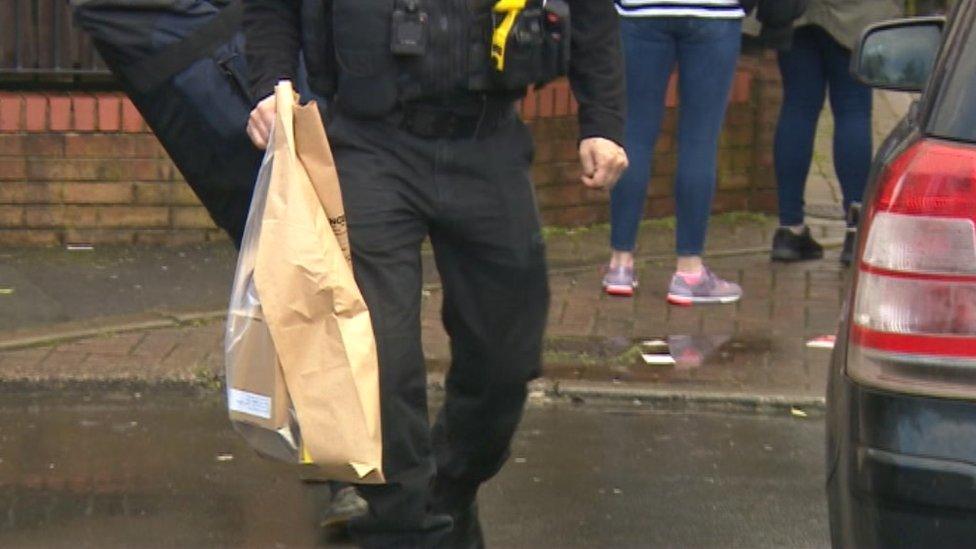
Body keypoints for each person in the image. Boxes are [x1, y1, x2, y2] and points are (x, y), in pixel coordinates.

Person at [242, 1, 628, 546]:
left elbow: (592, 11)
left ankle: (444, 496)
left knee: (505, 360)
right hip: (370, 142)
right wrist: (271, 83)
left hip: (488, 138)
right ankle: (403, 523)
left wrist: (603, 121)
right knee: (378, 355)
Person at [603, 0, 746, 305]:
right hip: (714, 11)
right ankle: (689, 272)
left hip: (640, 10)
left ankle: (620, 264)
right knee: (700, 139)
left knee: (633, 135)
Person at [769, 0, 901, 265]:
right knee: (853, 110)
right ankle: (855, 232)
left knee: (797, 107)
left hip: (798, 11)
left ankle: (789, 229)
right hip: (856, 13)